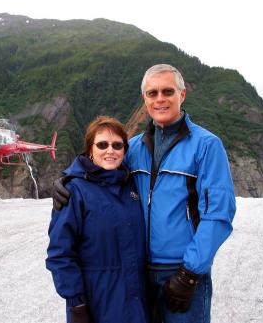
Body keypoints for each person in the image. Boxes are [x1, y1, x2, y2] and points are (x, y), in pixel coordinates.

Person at [52, 64, 236, 323]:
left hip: (180, 272)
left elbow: (218, 214)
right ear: (145, 100)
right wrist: (68, 178)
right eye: (152, 93)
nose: (160, 99)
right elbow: (101, 166)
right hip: (139, 275)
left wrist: (190, 274)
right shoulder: (135, 147)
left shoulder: (206, 146)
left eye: (167, 91)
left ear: (182, 95)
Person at [46, 116, 149, 323]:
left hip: (137, 302)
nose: (110, 150)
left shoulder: (132, 186)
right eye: (102, 144)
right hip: (97, 303)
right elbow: (60, 253)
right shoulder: (74, 191)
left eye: (117, 145)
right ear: (89, 150)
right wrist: (77, 304)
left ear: (124, 151)